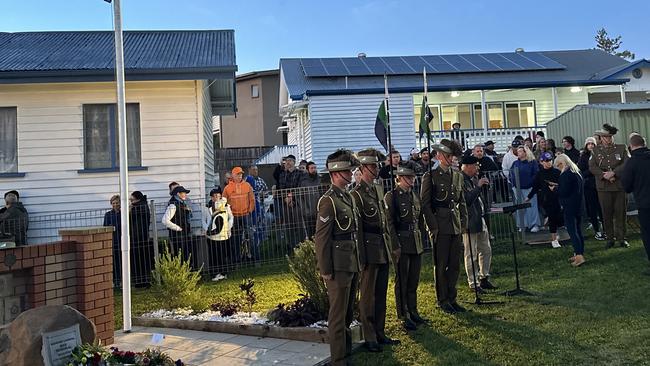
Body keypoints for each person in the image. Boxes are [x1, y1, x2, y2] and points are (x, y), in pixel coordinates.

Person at [314, 149, 361, 366]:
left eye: (350, 170)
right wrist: (325, 270)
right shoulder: (328, 201)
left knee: (348, 312)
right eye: (346, 171)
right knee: (338, 314)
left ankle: (347, 351)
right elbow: (322, 239)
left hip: (351, 260)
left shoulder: (347, 196)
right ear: (335, 174)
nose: (351, 174)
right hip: (338, 265)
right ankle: (339, 359)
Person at [352, 148, 399, 351]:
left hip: (381, 247)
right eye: (372, 166)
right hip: (369, 249)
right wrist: (361, 256)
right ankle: (369, 336)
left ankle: (380, 332)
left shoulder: (378, 189)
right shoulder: (356, 194)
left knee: (381, 293)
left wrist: (391, 246)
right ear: (362, 169)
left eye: (377, 165)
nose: (376, 169)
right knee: (368, 296)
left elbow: (385, 221)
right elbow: (358, 229)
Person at [421, 139, 468, 314]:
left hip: (454, 223)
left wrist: (463, 222)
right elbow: (425, 204)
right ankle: (442, 299)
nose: (451, 159)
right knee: (441, 264)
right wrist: (432, 227)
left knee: (454, 264)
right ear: (440, 156)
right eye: (447, 156)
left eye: (452, 156)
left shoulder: (457, 176)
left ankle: (452, 297)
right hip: (440, 224)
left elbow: (461, 201)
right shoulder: (431, 176)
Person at [386, 162, 426, 331]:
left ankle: (413, 309)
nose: (412, 180)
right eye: (408, 177)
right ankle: (403, 314)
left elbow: (419, 217)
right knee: (402, 279)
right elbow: (390, 222)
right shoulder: (392, 196)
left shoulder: (413, 195)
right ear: (399, 178)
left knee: (413, 279)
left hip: (415, 241)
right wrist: (395, 245)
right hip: (402, 240)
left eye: (413, 177)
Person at [589, 123, 630, 249]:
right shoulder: (595, 150)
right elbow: (592, 166)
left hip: (619, 186)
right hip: (604, 187)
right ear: (601, 138)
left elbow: (627, 163)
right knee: (606, 213)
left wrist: (614, 173)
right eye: (605, 137)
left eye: (610, 137)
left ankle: (621, 238)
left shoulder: (621, 148)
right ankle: (610, 238)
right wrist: (604, 175)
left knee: (620, 213)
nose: (608, 139)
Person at [460, 156, 496, 293]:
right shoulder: (461, 180)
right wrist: (478, 186)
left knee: (486, 249)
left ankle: (484, 277)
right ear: (467, 166)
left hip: (479, 218)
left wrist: (482, 186)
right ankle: (473, 282)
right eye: (475, 166)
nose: (477, 168)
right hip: (469, 221)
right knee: (471, 253)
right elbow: (467, 199)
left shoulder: (472, 179)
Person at [622, 134, 650, 275]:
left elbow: (626, 186)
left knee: (647, 233)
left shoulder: (632, 162)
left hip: (644, 203)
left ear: (631, 146)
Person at [526, 152, 563, 248]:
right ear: (541, 162)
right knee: (552, 218)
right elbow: (535, 187)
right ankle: (554, 239)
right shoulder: (539, 174)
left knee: (558, 218)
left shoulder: (557, 172)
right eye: (546, 161)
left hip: (558, 198)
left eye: (550, 160)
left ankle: (553, 229)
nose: (548, 163)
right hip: (547, 199)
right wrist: (529, 197)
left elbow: (563, 184)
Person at [555, 154, 585, 266]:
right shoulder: (577, 172)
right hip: (579, 205)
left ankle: (579, 256)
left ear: (562, 164)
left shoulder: (565, 175)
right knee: (578, 230)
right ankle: (579, 252)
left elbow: (564, 192)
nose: (557, 169)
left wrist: (555, 189)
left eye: (557, 166)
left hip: (569, 206)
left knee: (572, 231)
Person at [223, 167, 256, 262]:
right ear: (233, 175)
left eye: (241, 174)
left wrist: (249, 211)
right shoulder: (227, 188)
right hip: (234, 217)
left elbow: (252, 200)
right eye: (237, 174)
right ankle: (236, 259)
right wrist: (229, 214)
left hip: (246, 215)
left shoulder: (247, 185)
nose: (240, 175)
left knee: (250, 236)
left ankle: (253, 257)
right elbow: (224, 203)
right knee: (235, 239)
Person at [203, 187, 234, 281]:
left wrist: (228, 228)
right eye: (215, 196)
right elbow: (204, 221)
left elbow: (231, 217)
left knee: (223, 254)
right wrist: (206, 230)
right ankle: (215, 274)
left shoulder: (226, 206)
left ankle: (224, 272)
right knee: (214, 255)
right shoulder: (208, 208)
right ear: (212, 198)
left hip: (224, 235)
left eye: (219, 196)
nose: (217, 198)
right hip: (212, 236)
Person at [578, 137, 605, 240]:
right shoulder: (583, 157)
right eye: (588, 144)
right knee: (592, 209)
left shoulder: (600, 155)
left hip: (600, 184)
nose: (590, 145)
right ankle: (597, 230)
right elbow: (581, 172)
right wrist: (592, 171)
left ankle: (606, 230)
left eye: (592, 144)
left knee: (602, 207)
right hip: (589, 186)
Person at [510, 145, 541, 232]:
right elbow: (511, 174)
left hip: (530, 188)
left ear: (525, 152)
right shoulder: (515, 163)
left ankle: (534, 224)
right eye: (518, 151)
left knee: (532, 206)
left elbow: (536, 174)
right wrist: (514, 185)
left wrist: (531, 183)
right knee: (520, 207)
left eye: (520, 151)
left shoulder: (532, 162)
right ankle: (522, 225)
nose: (518, 153)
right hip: (518, 188)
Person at [162, 186, 193, 262]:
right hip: (177, 235)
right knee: (179, 255)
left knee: (184, 254)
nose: (185, 195)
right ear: (178, 194)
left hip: (183, 234)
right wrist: (178, 228)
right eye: (184, 193)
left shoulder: (181, 203)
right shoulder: (173, 205)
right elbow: (165, 220)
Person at [300, 161, 322, 239]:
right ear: (307, 169)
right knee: (310, 233)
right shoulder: (304, 182)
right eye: (312, 168)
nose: (314, 169)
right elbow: (301, 197)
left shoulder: (320, 179)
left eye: (315, 168)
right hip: (308, 211)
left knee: (320, 232)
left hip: (319, 210)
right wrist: (305, 209)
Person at [103, 194, 121, 281]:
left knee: (121, 261)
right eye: (113, 203)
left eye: (117, 203)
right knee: (114, 261)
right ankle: (115, 280)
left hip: (121, 240)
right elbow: (105, 227)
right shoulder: (108, 214)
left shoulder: (124, 214)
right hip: (113, 240)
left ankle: (121, 279)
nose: (115, 205)